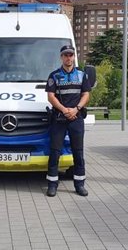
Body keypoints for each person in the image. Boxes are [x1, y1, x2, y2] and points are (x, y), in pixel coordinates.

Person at [45, 45, 91, 197]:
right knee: (55, 152)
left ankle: (79, 185)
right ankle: (52, 185)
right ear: (61, 57)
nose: (68, 58)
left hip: (76, 118)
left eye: (70, 55)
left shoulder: (81, 75)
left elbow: (86, 94)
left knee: (78, 152)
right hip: (59, 118)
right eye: (65, 55)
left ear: (74, 57)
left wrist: (76, 109)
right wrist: (64, 110)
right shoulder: (54, 75)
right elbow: (51, 96)